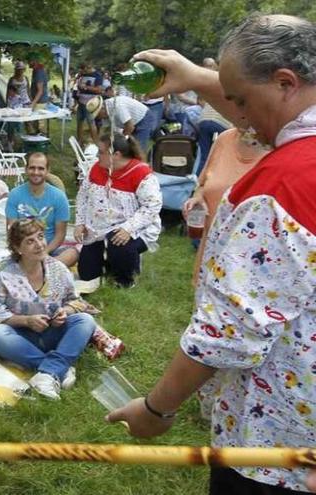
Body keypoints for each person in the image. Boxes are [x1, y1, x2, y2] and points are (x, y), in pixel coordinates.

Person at [107, 15, 316, 493]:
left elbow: (231, 331)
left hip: (272, 452)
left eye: (239, 100)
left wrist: (157, 408)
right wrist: (202, 78)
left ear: (286, 82)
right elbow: (272, 118)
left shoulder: (283, 186)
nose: (237, 117)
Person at [0, 219, 96, 400]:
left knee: (85, 320)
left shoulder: (58, 268)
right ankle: (58, 369)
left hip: (53, 331)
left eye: (40, 237)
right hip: (20, 336)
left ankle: (46, 374)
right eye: (30, 241)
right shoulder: (2, 270)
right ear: (17, 248)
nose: (39, 244)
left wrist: (65, 312)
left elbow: (76, 301)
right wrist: (26, 321)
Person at [75, 132, 161, 288]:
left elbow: (152, 205)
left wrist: (128, 228)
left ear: (116, 154)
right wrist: (80, 222)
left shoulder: (141, 173)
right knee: (87, 274)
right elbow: (82, 196)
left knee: (118, 243)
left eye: (101, 152)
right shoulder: (96, 169)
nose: (97, 155)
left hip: (134, 227)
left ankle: (127, 279)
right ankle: (109, 265)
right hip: (99, 228)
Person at [183, 128, 268, 284]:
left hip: (252, 259)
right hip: (212, 247)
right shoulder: (225, 138)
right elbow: (203, 184)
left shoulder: (283, 147)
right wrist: (198, 197)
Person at [5, 153, 77, 267]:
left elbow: (60, 235)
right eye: (32, 168)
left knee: (72, 253)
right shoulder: (15, 194)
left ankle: (44, 269)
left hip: (50, 250)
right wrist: (26, 252)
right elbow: (11, 231)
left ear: (47, 170)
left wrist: (43, 252)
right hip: (24, 250)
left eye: (41, 168)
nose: (36, 172)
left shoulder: (59, 197)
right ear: (26, 169)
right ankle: (45, 270)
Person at [87, 94, 159, 152]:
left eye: (98, 114)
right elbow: (105, 130)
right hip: (131, 123)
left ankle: (143, 167)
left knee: (138, 149)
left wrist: (120, 141)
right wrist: (99, 143)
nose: (98, 117)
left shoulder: (117, 106)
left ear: (102, 108)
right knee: (127, 148)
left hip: (143, 118)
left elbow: (130, 127)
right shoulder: (106, 111)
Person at [75, 62, 104, 144]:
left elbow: (99, 90)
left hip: (90, 104)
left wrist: (85, 87)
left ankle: (95, 143)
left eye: (84, 70)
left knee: (91, 123)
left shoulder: (98, 76)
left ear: (88, 68)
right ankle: (79, 141)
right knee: (79, 122)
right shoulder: (83, 75)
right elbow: (79, 85)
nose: (83, 72)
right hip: (81, 102)